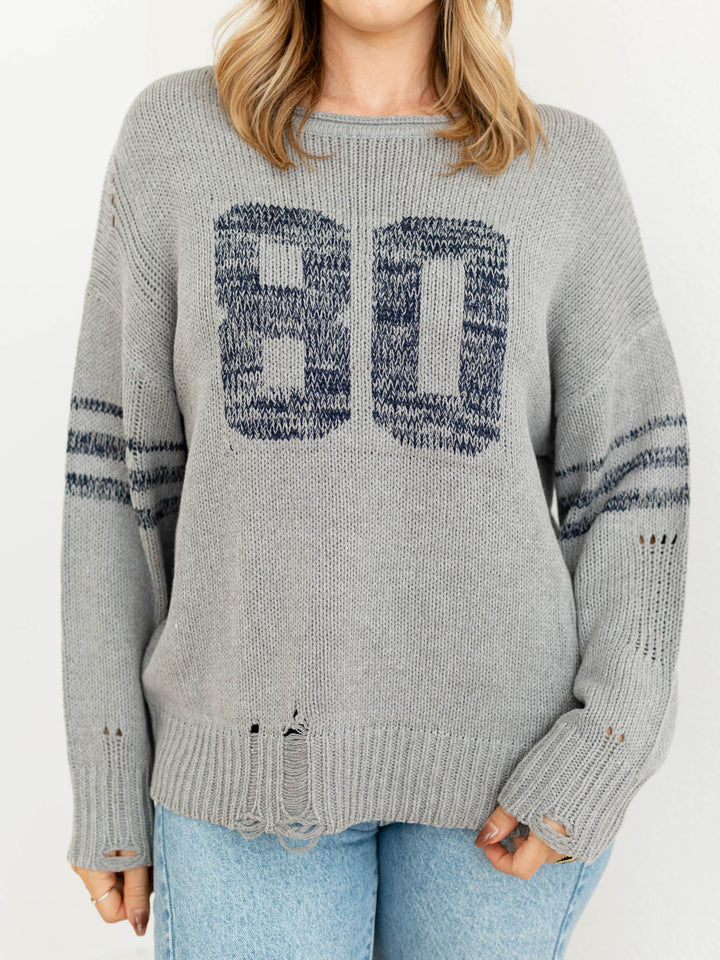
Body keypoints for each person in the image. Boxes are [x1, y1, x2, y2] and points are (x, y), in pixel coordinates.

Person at [61, 1, 690, 957]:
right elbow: (118, 479)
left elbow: (636, 483)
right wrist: (108, 765)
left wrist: (604, 748)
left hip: (509, 786)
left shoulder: (564, 170)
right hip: (240, 776)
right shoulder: (176, 141)